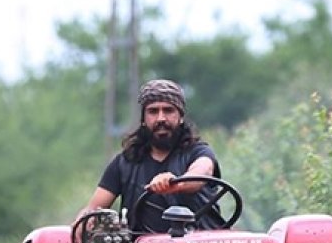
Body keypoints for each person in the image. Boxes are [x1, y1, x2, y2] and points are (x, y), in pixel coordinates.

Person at [77, 78, 226, 232]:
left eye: (168, 110)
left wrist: (174, 183)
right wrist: (82, 224)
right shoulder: (125, 163)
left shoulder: (199, 153)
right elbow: (93, 210)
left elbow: (201, 173)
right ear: (143, 119)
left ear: (181, 117)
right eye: (153, 111)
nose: (161, 118)